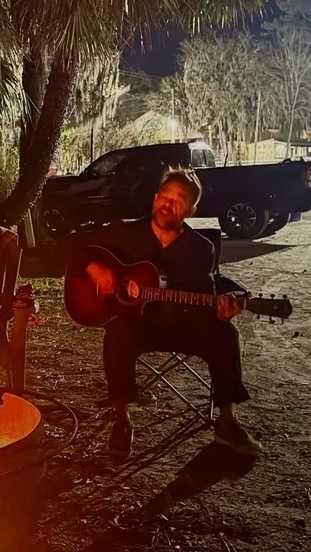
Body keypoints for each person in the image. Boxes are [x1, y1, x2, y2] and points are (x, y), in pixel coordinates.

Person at [69, 167, 262, 459]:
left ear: (191, 211)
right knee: (117, 335)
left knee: (224, 335)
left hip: (183, 326)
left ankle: (227, 423)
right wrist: (94, 268)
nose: (167, 203)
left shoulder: (201, 248)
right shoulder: (125, 232)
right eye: (164, 196)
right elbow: (70, 245)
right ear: (155, 198)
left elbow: (208, 292)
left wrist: (223, 309)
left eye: (178, 199)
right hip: (138, 325)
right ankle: (122, 421)